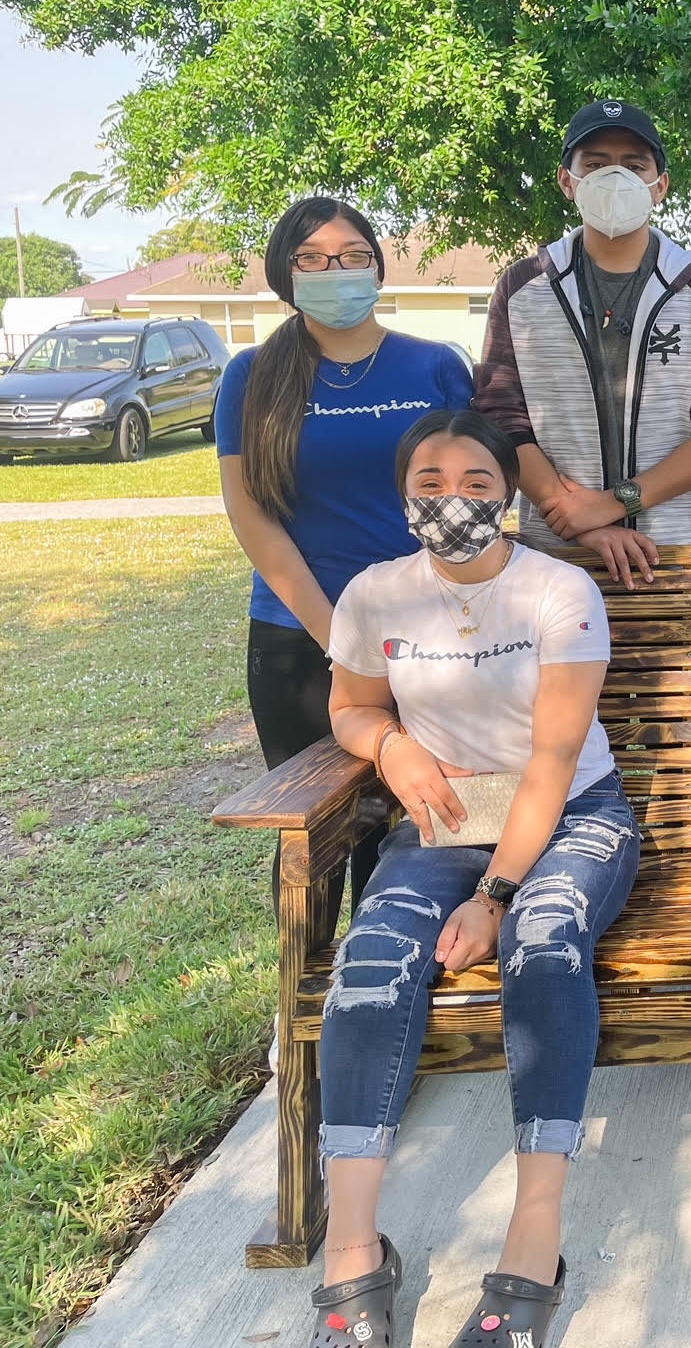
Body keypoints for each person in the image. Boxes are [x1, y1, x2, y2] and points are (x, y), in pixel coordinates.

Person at [308, 410, 637, 1348]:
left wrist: (493, 898)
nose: (452, 501)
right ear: (403, 493)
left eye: (478, 484)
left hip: (570, 817)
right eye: (430, 482)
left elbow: (554, 758)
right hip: (442, 827)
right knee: (368, 966)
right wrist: (390, 744)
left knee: (543, 942)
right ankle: (351, 1251)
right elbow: (350, 705)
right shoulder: (374, 594)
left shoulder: (558, 590)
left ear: (509, 495)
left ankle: (535, 1236)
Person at [216, 197, 473, 932]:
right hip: (302, 639)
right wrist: (343, 642)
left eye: (354, 254)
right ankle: (300, 1007)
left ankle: (391, 978)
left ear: (378, 267)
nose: (338, 270)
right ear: (283, 273)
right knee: (319, 830)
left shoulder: (434, 366)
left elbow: (470, 500)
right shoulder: (252, 375)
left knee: (417, 819)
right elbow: (251, 515)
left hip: (432, 637)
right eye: (314, 258)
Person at [476, 99, 691, 587]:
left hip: (681, 556)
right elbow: (502, 417)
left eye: (633, 165)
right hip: (557, 559)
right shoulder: (524, 288)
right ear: (568, 181)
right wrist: (570, 513)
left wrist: (614, 502)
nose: (614, 177)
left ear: (660, 185)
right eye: (595, 163)